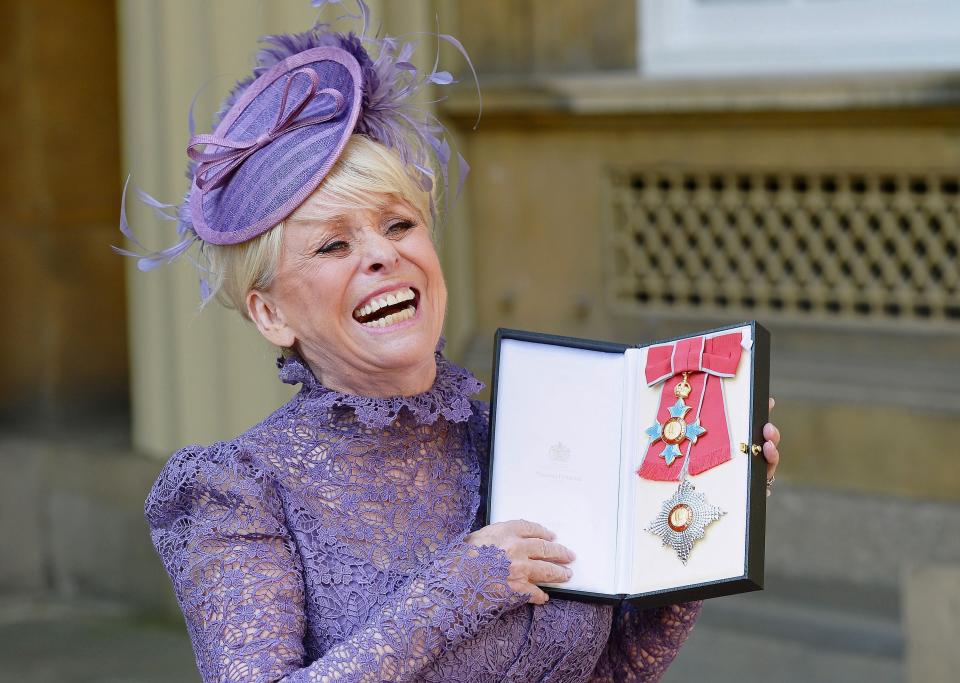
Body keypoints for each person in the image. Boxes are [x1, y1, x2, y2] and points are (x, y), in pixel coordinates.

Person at [122, 5, 782, 682]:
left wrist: (707, 523)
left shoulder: (525, 438)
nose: (382, 254)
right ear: (269, 314)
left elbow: (610, 667)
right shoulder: (239, 490)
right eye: (333, 243)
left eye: (400, 223)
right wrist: (458, 589)